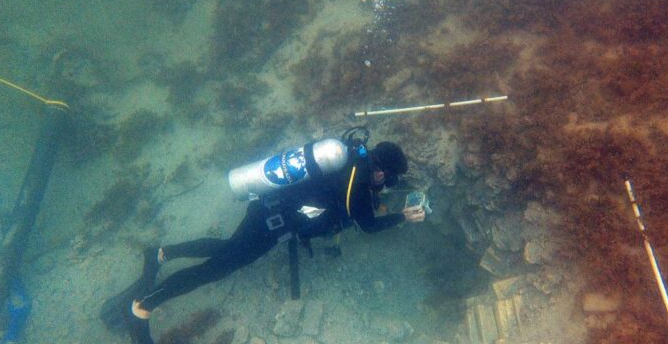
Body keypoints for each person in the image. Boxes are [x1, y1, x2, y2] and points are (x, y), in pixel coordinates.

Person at [101, 135, 425, 329]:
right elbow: (367, 225)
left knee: (227, 248)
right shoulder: (357, 183)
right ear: (380, 170)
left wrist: (375, 202)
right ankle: (144, 305)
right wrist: (402, 218)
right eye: (387, 178)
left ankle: (162, 253)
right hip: (271, 225)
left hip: (267, 209)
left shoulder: (350, 157)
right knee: (214, 270)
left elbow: (346, 199)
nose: (385, 184)